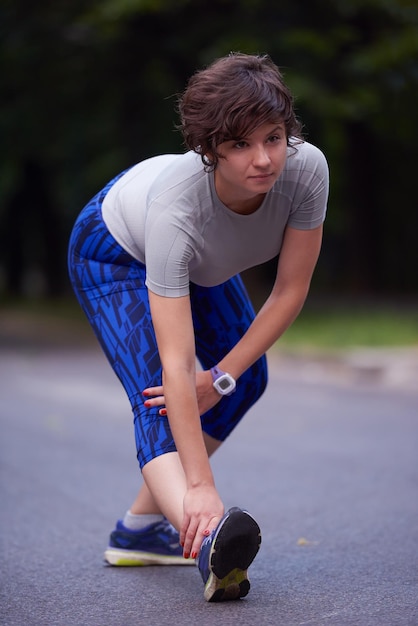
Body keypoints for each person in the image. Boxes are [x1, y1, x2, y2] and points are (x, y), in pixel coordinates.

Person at [68, 52, 329, 602]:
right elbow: (177, 360)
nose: (263, 159)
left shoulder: (307, 171)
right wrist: (201, 486)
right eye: (239, 145)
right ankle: (208, 536)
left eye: (274, 137)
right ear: (207, 149)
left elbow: (289, 291)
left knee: (247, 379)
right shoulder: (177, 209)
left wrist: (226, 376)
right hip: (113, 253)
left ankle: (139, 530)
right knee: (160, 395)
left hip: (199, 260)